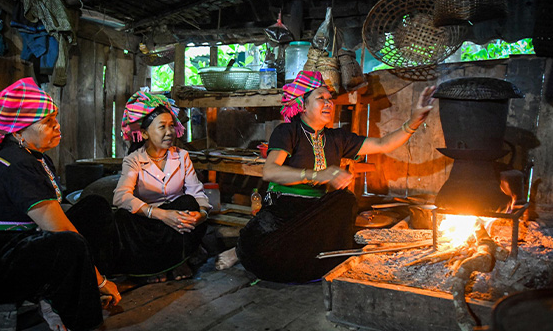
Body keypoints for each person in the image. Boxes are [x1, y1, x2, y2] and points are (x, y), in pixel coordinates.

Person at [216, 71, 436, 283]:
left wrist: (414, 121)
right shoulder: (287, 132)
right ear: (302, 105)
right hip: (283, 210)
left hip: (315, 211)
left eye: (330, 99)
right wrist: (318, 175)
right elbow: (270, 171)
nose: (329, 103)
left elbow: (383, 144)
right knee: (259, 251)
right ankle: (239, 251)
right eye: (321, 98)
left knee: (344, 200)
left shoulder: (337, 138)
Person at [0, 78, 120, 331]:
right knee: (69, 243)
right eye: (48, 122)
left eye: (55, 119)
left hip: (18, 245)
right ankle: (73, 315)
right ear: (18, 130)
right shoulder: (16, 164)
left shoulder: (30, 154)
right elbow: (60, 230)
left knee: (94, 208)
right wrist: (100, 281)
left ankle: (76, 291)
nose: (58, 127)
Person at [111, 90, 210, 282]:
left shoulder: (181, 156)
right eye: (162, 127)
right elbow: (121, 196)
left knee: (188, 203)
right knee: (123, 216)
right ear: (145, 133)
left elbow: (197, 193)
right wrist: (162, 215)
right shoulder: (134, 160)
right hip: (150, 223)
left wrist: (202, 215)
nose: (169, 132)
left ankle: (178, 261)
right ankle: (153, 268)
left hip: (176, 226)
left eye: (171, 126)